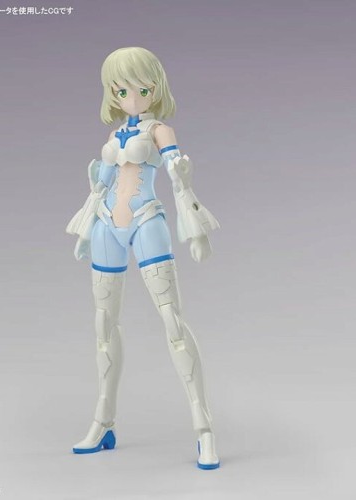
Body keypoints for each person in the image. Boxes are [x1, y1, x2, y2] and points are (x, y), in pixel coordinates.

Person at [66, 47, 220, 469]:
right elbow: (99, 187)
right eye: (121, 90)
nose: (131, 98)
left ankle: (204, 429)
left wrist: (195, 228)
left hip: (146, 220)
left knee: (173, 322)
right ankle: (103, 421)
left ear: (156, 88)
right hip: (105, 227)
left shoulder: (160, 131)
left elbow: (179, 178)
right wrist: (85, 228)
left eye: (141, 89)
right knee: (103, 326)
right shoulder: (114, 136)